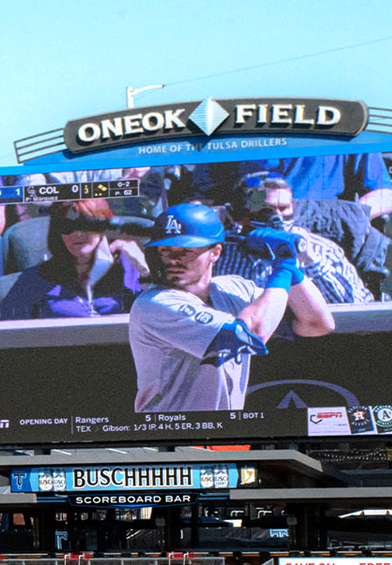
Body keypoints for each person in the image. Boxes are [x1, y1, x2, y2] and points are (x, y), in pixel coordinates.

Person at [129, 203, 334, 413]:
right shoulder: (154, 304)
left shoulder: (232, 287)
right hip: (170, 436)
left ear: (215, 252)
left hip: (223, 433)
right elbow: (251, 334)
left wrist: (291, 265)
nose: (172, 260)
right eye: (165, 251)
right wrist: (281, 271)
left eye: (185, 251)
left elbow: (317, 323)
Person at [216, 172, 375, 304]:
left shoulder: (323, 249)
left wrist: (312, 260)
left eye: (284, 209)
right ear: (241, 216)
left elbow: (357, 307)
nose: (277, 218)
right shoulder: (219, 253)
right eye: (267, 211)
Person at [0, 199, 148, 320]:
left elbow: (165, 317)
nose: (77, 233)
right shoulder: (38, 278)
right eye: (67, 226)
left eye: (85, 224)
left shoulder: (132, 270)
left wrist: (144, 268)